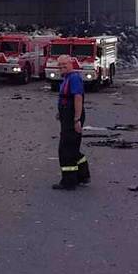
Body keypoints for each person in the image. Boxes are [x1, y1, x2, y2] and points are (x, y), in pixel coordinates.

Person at [53, 54, 90, 190]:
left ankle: (69, 182)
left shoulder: (74, 78)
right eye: (60, 65)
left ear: (71, 64)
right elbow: (65, 98)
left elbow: (78, 98)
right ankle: (83, 175)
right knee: (73, 147)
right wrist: (60, 112)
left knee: (66, 149)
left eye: (64, 65)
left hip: (72, 116)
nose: (62, 67)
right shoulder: (67, 78)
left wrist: (77, 119)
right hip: (66, 114)